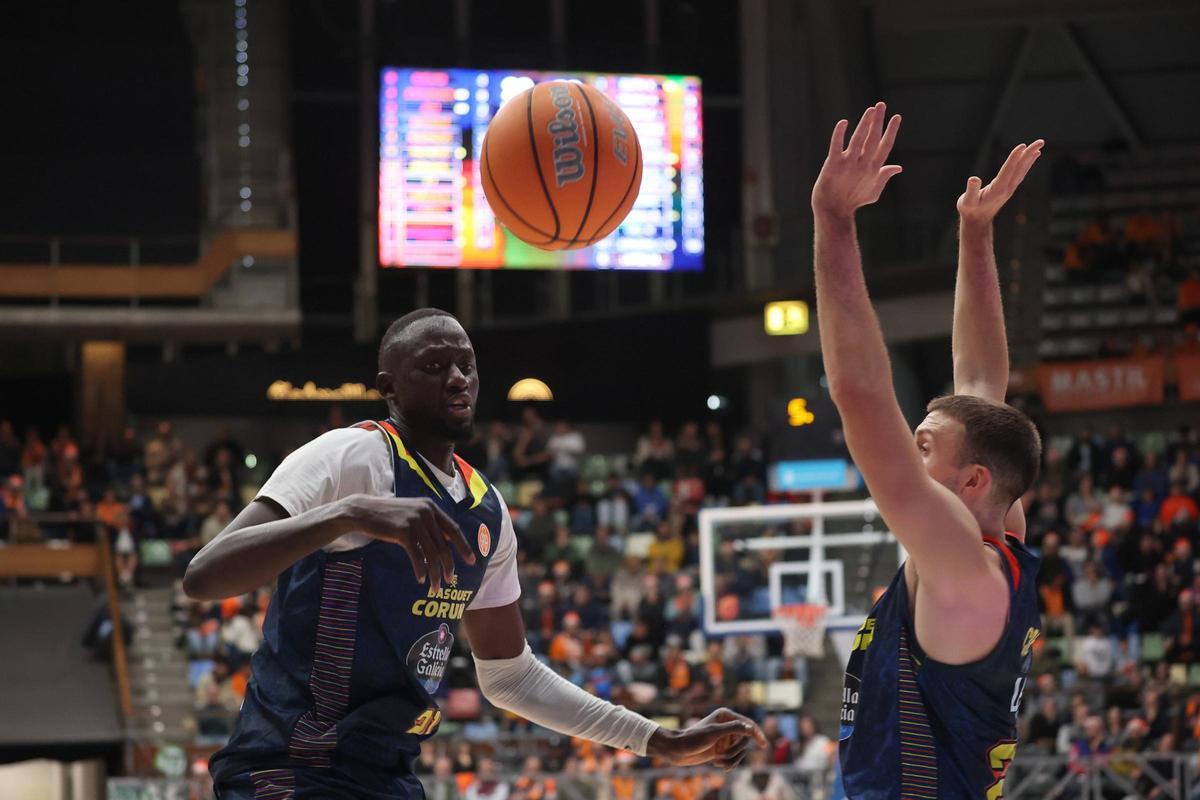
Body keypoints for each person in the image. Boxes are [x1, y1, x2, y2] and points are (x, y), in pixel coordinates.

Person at [184, 309, 764, 798]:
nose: (458, 378)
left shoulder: (487, 511)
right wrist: (350, 513)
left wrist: (655, 739)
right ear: (389, 387)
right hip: (291, 770)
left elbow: (510, 676)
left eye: (466, 365)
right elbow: (205, 575)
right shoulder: (350, 456)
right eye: (435, 367)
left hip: (386, 776)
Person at [814, 103, 1045, 798]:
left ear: (972, 480)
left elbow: (858, 397)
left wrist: (833, 220)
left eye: (922, 445)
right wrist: (975, 233)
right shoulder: (999, 532)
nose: (906, 459)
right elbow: (978, 382)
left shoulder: (962, 568)